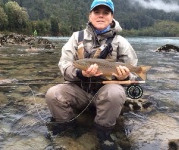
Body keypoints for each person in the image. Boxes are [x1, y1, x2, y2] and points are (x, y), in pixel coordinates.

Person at [45, 0, 138, 149]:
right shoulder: (76, 37)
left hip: (105, 92)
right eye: (97, 12)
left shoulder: (121, 42)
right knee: (53, 94)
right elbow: (64, 66)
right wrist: (80, 73)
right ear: (90, 15)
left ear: (112, 16)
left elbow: (133, 74)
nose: (101, 16)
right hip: (79, 90)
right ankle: (69, 130)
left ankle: (103, 133)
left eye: (105, 12)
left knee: (115, 93)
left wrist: (125, 77)